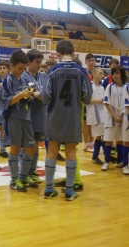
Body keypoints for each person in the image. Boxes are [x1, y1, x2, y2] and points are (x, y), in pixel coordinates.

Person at [41, 40, 92, 201]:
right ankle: (69, 191)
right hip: (73, 117)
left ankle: (49, 189)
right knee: (70, 151)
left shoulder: (53, 70)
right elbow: (87, 97)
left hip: (55, 116)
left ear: (57, 54)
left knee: (52, 151)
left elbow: (45, 97)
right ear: (74, 52)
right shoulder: (81, 71)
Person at [1, 50, 37, 192]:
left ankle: (23, 177)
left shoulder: (25, 79)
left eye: (24, 68)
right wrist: (21, 94)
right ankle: (14, 180)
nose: (22, 71)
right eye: (20, 68)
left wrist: (29, 96)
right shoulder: (7, 81)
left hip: (26, 117)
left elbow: (31, 94)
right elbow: (7, 102)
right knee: (15, 148)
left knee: (31, 147)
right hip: (14, 118)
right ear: (12, 65)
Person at [22, 49, 46, 184]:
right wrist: (35, 94)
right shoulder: (25, 77)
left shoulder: (42, 76)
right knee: (28, 146)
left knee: (36, 144)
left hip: (41, 115)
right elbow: (32, 92)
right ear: (29, 62)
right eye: (37, 62)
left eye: (40, 62)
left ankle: (32, 171)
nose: (39, 65)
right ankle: (25, 172)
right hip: (29, 115)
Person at [101, 66, 126, 171]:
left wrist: (122, 116)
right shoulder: (110, 87)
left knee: (120, 141)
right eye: (113, 73)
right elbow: (107, 103)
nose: (114, 75)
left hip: (123, 118)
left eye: (117, 73)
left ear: (122, 75)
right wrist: (115, 116)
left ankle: (120, 161)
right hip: (111, 118)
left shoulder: (126, 87)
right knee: (109, 141)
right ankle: (106, 162)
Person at [44, 58, 66, 161]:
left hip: (59, 108)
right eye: (49, 66)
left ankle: (55, 153)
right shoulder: (45, 78)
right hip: (47, 108)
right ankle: (50, 153)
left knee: (58, 133)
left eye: (52, 66)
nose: (50, 68)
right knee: (49, 134)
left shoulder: (59, 78)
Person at [86, 68, 105, 165]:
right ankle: (101, 156)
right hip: (95, 113)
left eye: (103, 73)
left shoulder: (102, 87)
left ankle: (96, 156)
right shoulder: (89, 85)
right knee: (101, 135)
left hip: (103, 113)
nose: (102, 75)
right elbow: (86, 101)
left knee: (101, 135)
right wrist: (99, 101)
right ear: (94, 74)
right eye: (100, 73)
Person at [83, 53, 95, 152]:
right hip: (85, 101)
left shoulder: (98, 72)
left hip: (95, 102)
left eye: (93, 60)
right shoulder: (84, 72)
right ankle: (86, 143)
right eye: (89, 60)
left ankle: (92, 143)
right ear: (86, 62)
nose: (91, 62)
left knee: (93, 123)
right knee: (86, 123)